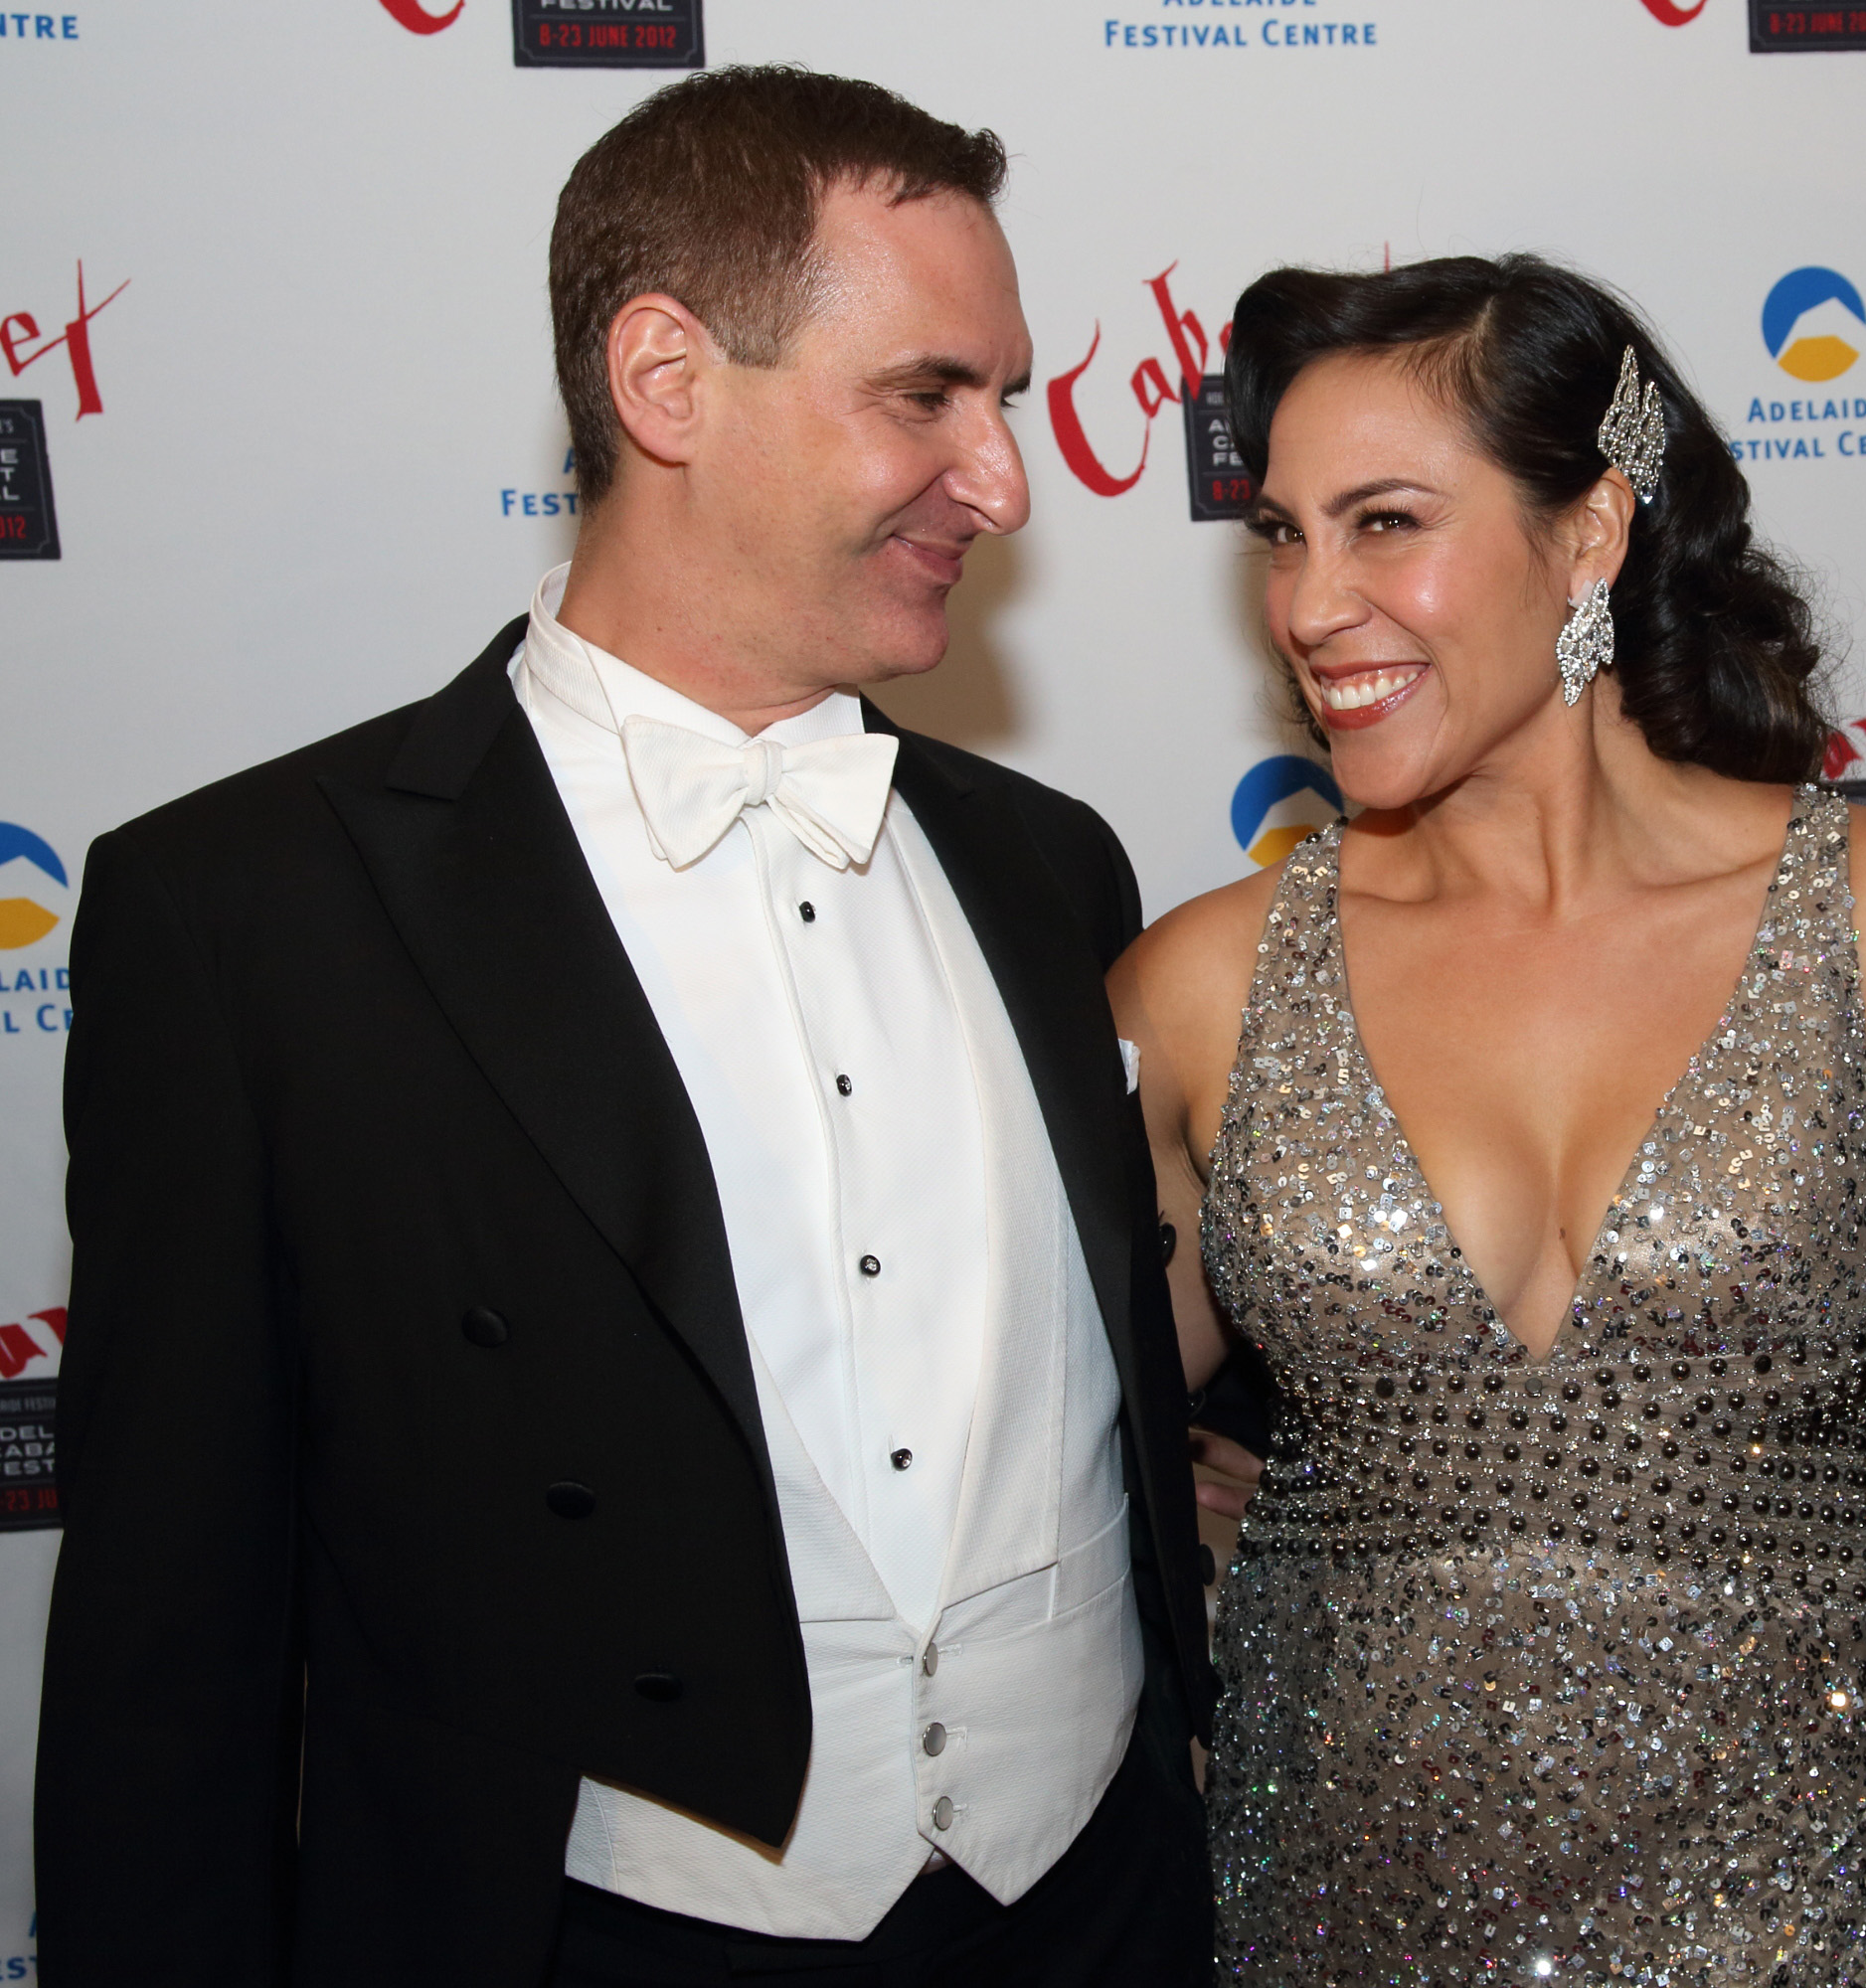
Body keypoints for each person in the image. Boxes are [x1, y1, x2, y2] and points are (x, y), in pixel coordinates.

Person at [35, 68, 1212, 1988]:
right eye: (928, 395)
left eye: (1002, 399)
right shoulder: (250, 916)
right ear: (666, 380)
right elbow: (169, 1642)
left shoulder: (1048, 863)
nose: (1007, 482)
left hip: (1102, 1906)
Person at [1112, 254, 1866, 1984]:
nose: (1311, 605)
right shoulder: (1204, 985)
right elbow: (1043, 1449)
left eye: (1386, 523)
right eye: (1284, 536)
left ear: (1592, 531)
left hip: (1793, 1921)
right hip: (1336, 1917)